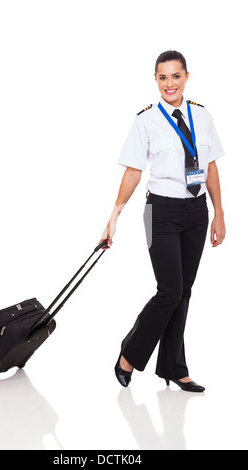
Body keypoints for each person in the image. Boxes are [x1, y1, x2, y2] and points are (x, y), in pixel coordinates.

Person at [99, 50, 225, 392]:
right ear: (156, 80)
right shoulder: (146, 120)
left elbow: (210, 166)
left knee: (183, 291)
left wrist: (219, 213)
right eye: (162, 77)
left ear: (186, 76)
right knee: (169, 290)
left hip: (197, 213)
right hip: (160, 212)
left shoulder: (202, 115)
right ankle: (130, 354)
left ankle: (173, 367)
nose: (169, 83)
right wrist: (114, 216)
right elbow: (133, 172)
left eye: (175, 76)